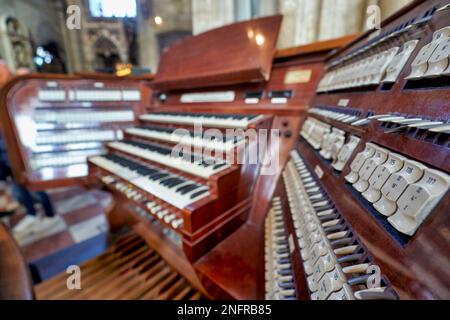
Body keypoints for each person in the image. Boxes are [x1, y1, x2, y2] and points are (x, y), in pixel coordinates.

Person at [0, 59, 59, 241]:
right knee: (19, 184)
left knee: (33, 183)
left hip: (23, 146)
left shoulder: (16, 88)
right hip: (5, 146)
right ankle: (32, 214)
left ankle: (50, 215)